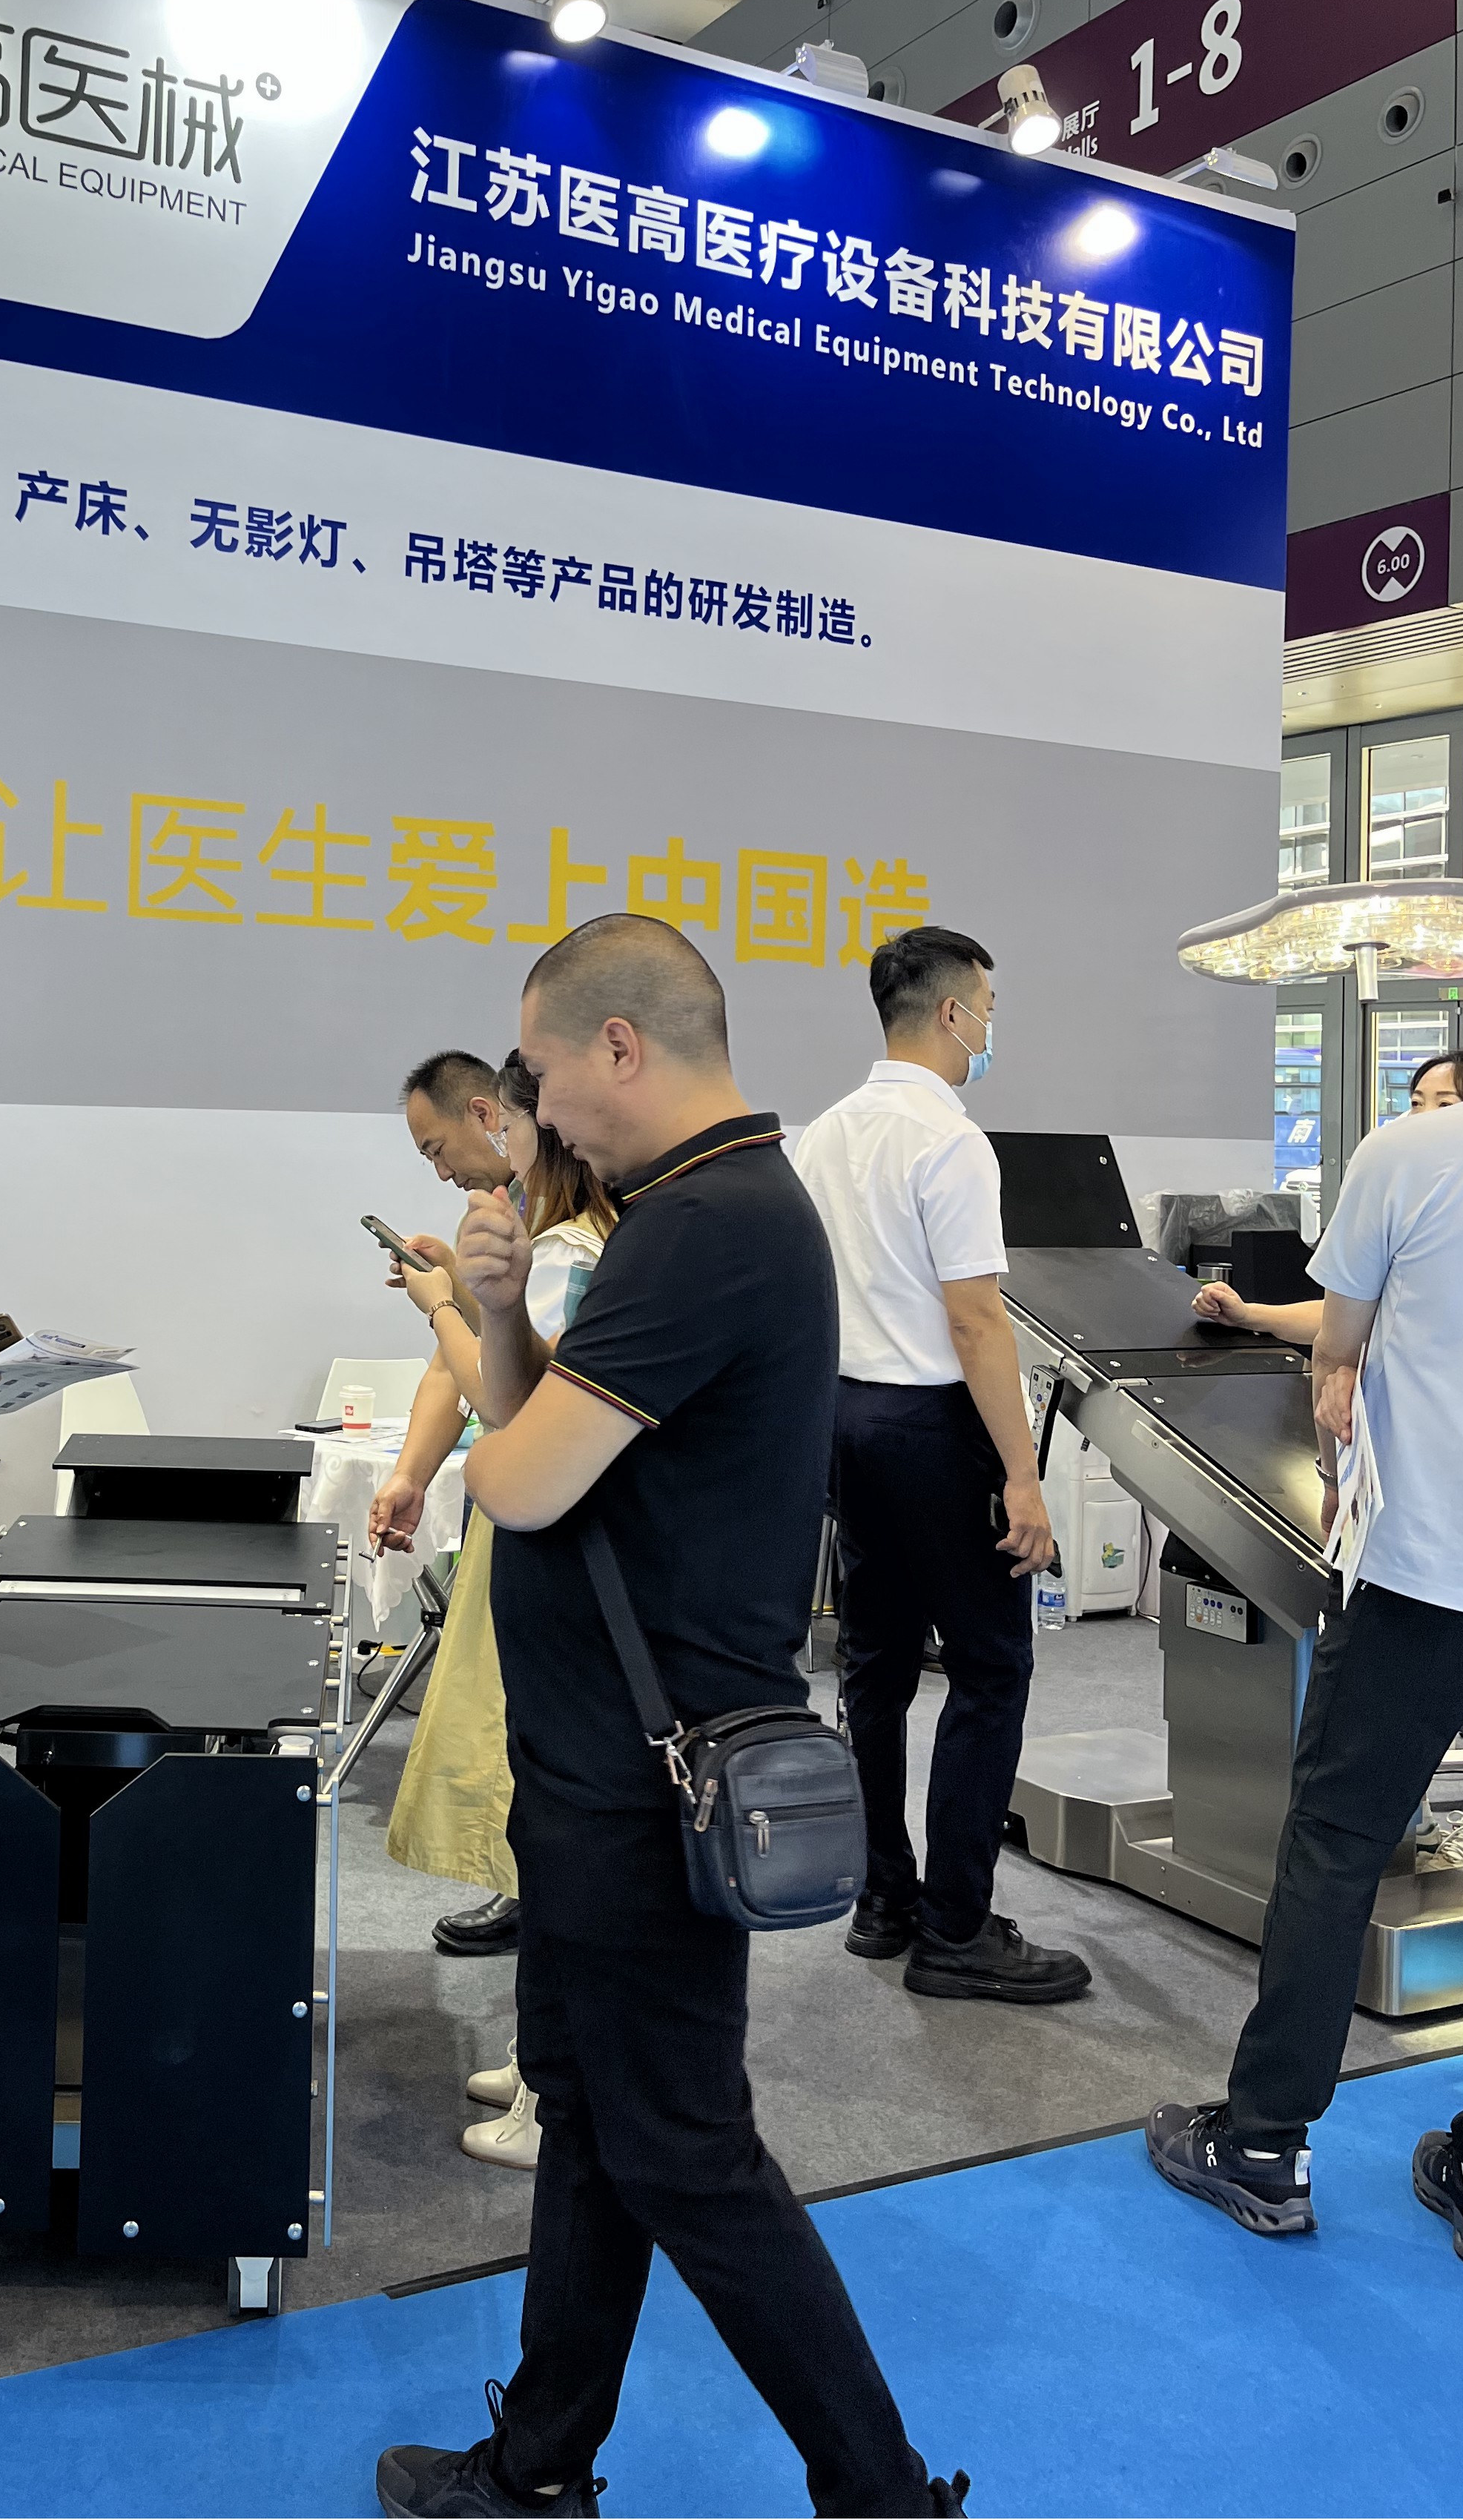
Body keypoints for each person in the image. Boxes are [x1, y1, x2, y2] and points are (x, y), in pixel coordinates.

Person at [376, 916, 963, 2520]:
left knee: (685, 2146)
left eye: (543, 1074)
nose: (533, 1111)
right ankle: (538, 2463)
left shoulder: (711, 1222)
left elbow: (518, 1479)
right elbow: (546, 1428)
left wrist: (481, 1376)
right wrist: (499, 1311)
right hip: (603, 1768)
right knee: (592, 2116)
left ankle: (881, 2494)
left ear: (620, 1046)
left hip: (651, 1778)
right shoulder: (679, 1214)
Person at [1148, 1090, 1463, 2255]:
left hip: (1426, 1573)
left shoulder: (1413, 1153)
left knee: (1333, 1847)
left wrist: (1344, 1395)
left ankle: (1260, 2141)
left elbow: (1336, 1342)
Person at [790, 927, 1089, 2003]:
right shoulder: (952, 1141)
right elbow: (975, 1320)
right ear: (953, 1012)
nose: (991, 1028)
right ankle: (957, 1927)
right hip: (931, 1426)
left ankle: (884, 1896)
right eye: (989, 1008)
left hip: (844, 1419)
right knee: (989, 1667)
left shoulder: (822, 1134)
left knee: (872, 1664)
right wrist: (1022, 1475)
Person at [372, 1051, 618, 2171]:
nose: (488, 1170)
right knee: (537, 1817)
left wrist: (449, 1306)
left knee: (553, 1832)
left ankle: (554, 2084)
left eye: (509, 1138)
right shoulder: (556, 1243)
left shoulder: (565, 1252)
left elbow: (508, 1401)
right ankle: (540, 2062)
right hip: (538, 1557)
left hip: (558, 1563)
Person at [380, 1049, 526, 1960]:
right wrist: (410, 1472)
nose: (441, 1172)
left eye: (438, 1148)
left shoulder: (571, 1221)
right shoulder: (495, 1214)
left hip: (556, 1504)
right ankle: (520, 1880)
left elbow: (509, 1394)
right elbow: (460, 1364)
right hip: (512, 1501)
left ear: (492, 1113)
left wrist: (445, 1304)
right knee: (495, 1709)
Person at [1194, 1046, 1463, 1345]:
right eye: (1417, 1104)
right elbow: (1344, 1318)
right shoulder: (1394, 1192)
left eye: (1445, 1105)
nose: (1423, 1118)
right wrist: (1247, 1315)